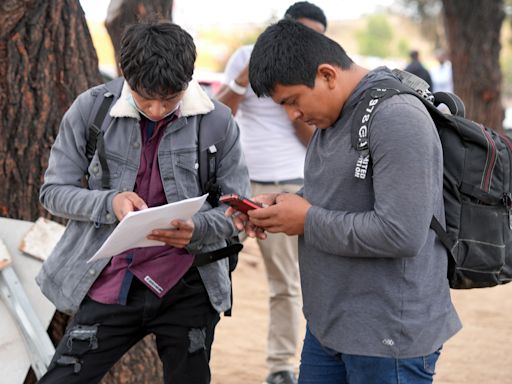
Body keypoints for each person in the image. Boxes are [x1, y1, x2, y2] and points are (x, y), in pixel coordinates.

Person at [230, 19, 462, 384]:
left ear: (326, 75)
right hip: (330, 327)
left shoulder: (397, 116)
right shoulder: (333, 114)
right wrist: (282, 204)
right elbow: (340, 195)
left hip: (387, 339)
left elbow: (401, 233)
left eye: (292, 101)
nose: (292, 115)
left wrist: (306, 220)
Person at [36, 20, 250, 384]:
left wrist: (197, 228)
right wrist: (110, 202)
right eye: (143, 96)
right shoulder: (91, 110)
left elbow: (237, 210)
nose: (154, 109)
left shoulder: (217, 122)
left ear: (188, 79)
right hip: (111, 278)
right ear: (125, 75)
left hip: (189, 285)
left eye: (169, 98)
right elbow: (53, 192)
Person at [216, 3, 327, 384]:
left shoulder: (315, 74)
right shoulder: (245, 57)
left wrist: (290, 102)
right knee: (210, 270)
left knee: (285, 283)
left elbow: (314, 138)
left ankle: (279, 366)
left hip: (290, 184)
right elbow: (219, 115)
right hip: (242, 183)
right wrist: (245, 79)